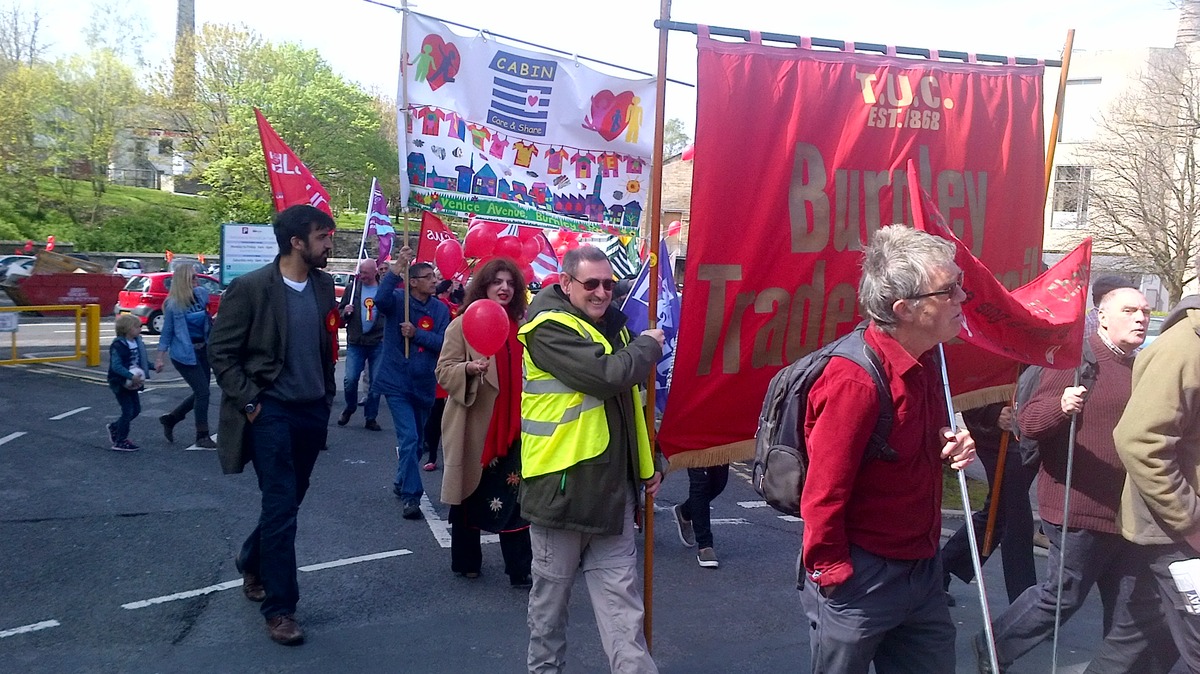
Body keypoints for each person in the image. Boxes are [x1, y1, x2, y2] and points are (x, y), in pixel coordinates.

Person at [799, 225, 976, 674]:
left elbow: (922, 438)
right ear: (905, 309)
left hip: (922, 571)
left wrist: (951, 444)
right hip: (862, 578)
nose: (963, 298)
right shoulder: (853, 381)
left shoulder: (931, 356)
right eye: (950, 289)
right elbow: (824, 493)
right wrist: (834, 574)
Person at [978, 284, 1177, 673]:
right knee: (1062, 597)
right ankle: (994, 646)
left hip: (1128, 513)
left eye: (1145, 312)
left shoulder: (1144, 366)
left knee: (1130, 609)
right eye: (1129, 310)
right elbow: (1028, 423)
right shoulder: (1076, 359)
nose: (1140, 318)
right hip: (1078, 506)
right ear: (1101, 315)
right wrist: (1061, 405)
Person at [518, 245, 664, 673]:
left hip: (611, 494)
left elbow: (629, 406)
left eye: (608, 284)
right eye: (591, 284)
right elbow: (607, 377)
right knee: (550, 612)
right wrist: (646, 349)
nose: (602, 293)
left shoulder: (613, 330)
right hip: (561, 493)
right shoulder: (547, 328)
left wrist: (649, 463)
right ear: (565, 284)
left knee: (624, 616)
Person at [209, 204, 337, 646]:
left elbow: (325, 346)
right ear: (296, 242)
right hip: (270, 413)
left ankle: (251, 558)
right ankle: (280, 609)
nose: (329, 244)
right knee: (281, 505)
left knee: (289, 502)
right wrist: (250, 403)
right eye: (322, 236)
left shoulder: (324, 286)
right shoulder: (251, 288)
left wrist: (327, 398)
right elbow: (221, 353)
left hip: (310, 410)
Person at [1114, 288, 1200, 670]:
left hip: (1178, 533)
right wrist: (1190, 520)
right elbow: (1140, 441)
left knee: (1144, 642)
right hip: (1177, 536)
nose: (1140, 317)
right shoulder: (1185, 348)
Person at [436, 258, 533, 586]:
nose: (504, 288)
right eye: (497, 282)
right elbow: (443, 371)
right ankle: (466, 561)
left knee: (515, 499)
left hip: (515, 428)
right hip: (475, 425)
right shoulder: (462, 325)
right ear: (483, 286)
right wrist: (468, 369)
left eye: (509, 283)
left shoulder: (523, 329)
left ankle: (519, 569)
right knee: (469, 494)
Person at [374, 252, 450, 520]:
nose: (434, 280)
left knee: (417, 446)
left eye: (434, 276)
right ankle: (411, 496)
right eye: (427, 277)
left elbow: (443, 343)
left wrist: (417, 334)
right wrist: (395, 270)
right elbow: (380, 300)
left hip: (424, 383)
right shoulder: (398, 301)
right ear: (413, 282)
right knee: (409, 439)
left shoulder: (440, 309)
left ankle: (400, 480)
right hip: (397, 382)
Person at [939, 403, 1037, 605]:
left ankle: (938, 571)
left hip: (1034, 433)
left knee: (1000, 513)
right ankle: (1024, 608)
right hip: (1000, 438)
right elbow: (971, 388)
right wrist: (993, 414)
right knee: (1015, 518)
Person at [155, 261, 217, 448]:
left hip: (202, 350)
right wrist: (159, 357)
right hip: (184, 354)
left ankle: (172, 419)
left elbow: (207, 318)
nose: (197, 280)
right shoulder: (174, 304)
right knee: (203, 392)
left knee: (201, 392)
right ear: (184, 281)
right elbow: (167, 333)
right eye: (193, 277)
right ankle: (202, 435)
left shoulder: (201, 295)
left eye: (196, 276)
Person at [336, 258, 386, 432]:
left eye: (365, 273)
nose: (361, 276)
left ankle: (370, 417)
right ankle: (350, 407)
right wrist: (345, 312)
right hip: (356, 341)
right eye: (360, 272)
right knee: (350, 379)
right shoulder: (352, 289)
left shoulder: (382, 290)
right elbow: (340, 312)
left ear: (375, 272)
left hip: (377, 342)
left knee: (375, 383)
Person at [423, 279, 461, 470]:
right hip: (438, 363)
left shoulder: (456, 307)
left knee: (447, 416)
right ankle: (431, 454)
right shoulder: (438, 307)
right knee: (435, 413)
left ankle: (437, 455)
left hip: (453, 363)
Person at [106, 313, 151, 452]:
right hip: (120, 382)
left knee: (136, 410)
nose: (140, 328)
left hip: (132, 382)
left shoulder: (137, 342)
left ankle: (115, 427)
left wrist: (153, 366)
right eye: (137, 326)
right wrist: (130, 376)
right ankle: (120, 441)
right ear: (127, 329)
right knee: (127, 411)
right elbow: (116, 366)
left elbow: (139, 361)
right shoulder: (118, 345)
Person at [673, 464, 730, 568]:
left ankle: (685, 511)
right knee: (700, 484)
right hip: (693, 448)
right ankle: (705, 545)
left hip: (718, 447)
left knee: (719, 483)